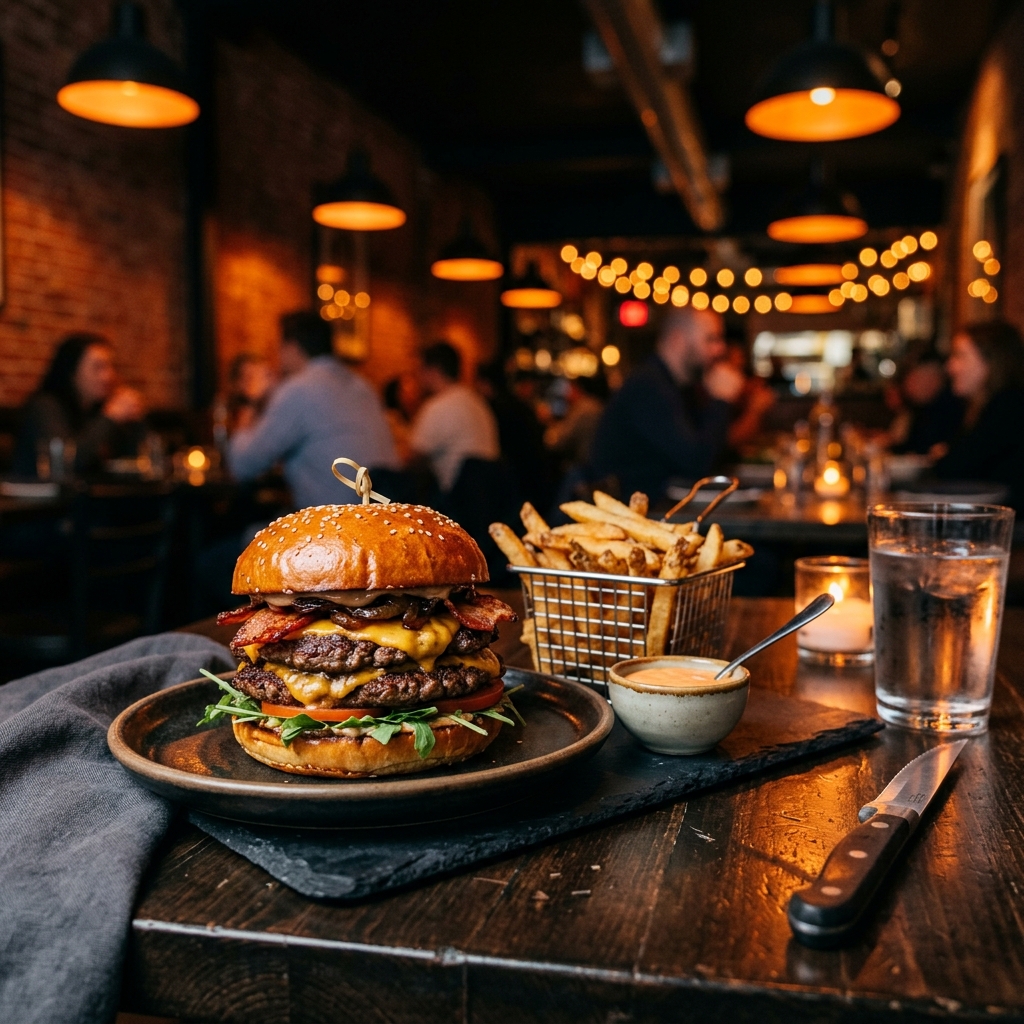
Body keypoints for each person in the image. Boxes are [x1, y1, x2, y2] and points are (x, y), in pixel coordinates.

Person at [227, 312, 398, 509]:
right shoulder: (363, 385)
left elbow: (242, 465)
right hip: (384, 514)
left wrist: (249, 402)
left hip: (336, 525)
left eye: (279, 348)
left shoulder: (299, 389)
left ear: (291, 348)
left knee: (241, 537)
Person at [588, 306, 744, 500]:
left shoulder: (677, 386)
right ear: (678, 340)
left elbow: (713, 453)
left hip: (655, 511)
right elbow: (698, 464)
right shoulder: (648, 386)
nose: (721, 348)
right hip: (629, 517)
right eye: (711, 339)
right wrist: (721, 401)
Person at [14, 333, 147, 478]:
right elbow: (66, 462)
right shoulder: (44, 407)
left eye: (110, 367)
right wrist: (110, 417)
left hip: (92, 496)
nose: (108, 376)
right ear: (71, 371)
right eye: (98, 367)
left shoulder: (95, 410)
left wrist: (135, 422)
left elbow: (134, 461)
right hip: (45, 498)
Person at [933, 321, 1024, 509]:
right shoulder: (979, 408)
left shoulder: (1010, 406)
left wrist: (945, 455)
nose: (950, 367)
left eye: (961, 356)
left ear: (992, 361)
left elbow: (953, 467)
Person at [410, 342, 499, 492]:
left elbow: (413, 459)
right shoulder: (476, 400)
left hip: (457, 499)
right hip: (490, 496)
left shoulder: (438, 406)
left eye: (419, 369)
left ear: (432, 370)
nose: (417, 376)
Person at [887, 352, 963, 455]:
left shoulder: (951, 408)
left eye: (915, 379)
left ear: (934, 379)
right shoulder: (920, 410)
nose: (908, 387)